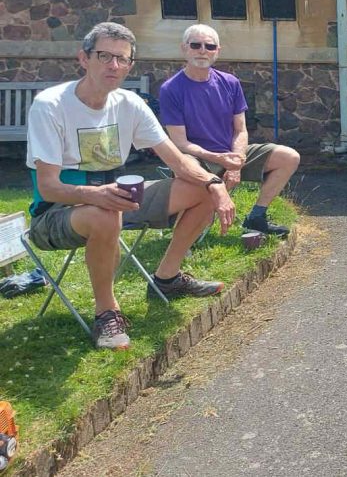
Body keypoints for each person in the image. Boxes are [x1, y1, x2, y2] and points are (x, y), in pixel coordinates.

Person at [25, 22, 236, 350]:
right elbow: (49, 187)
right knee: (104, 213)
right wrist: (98, 195)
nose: (114, 65)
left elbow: (178, 160)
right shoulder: (51, 105)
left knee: (200, 188)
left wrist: (214, 183)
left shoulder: (129, 104)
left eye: (122, 59)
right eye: (104, 56)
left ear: (130, 65)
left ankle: (167, 278)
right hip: (56, 214)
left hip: (118, 199)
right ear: (84, 58)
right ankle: (106, 313)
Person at [159, 24, 300, 236]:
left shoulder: (230, 83)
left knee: (289, 157)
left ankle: (256, 217)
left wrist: (236, 162)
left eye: (210, 46)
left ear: (218, 51)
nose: (202, 50)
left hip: (230, 153)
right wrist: (218, 158)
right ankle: (184, 229)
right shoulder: (171, 89)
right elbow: (180, 143)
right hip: (196, 158)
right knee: (192, 182)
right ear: (184, 49)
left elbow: (240, 130)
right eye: (196, 45)